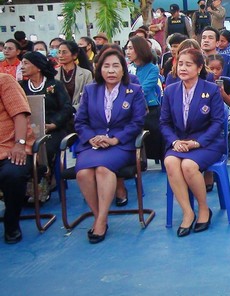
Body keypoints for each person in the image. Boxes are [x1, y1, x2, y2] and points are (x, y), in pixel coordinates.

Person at [74, 48, 146, 243]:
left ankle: (100, 221)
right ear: (99, 69)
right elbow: (80, 122)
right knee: (83, 173)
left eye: (116, 66)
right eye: (106, 66)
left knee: (103, 170)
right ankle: (100, 216)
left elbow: (138, 121)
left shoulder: (134, 91)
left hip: (120, 145)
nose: (111, 70)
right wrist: (91, 138)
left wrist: (115, 139)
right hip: (93, 144)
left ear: (123, 70)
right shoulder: (91, 90)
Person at [161, 49, 226, 237]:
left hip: (207, 143)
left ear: (199, 68)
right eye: (180, 64)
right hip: (179, 142)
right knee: (171, 162)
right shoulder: (171, 90)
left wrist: (196, 143)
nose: (183, 68)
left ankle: (204, 209)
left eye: (188, 64)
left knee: (189, 166)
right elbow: (164, 123)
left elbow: (217, 123)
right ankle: (188, 212)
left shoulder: (211, 89)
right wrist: (174, 142)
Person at [19, 52, 74, 201]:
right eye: (21, 63)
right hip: (27, 130)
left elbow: (67, 108)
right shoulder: (21, 87)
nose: (22, 67)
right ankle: (22, 187)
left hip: (53, 129)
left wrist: (53, 124)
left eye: (26, 63)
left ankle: (42, 185)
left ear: (37, 67)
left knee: (45, 148)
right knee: (22, 148)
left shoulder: (54, 85)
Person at [0, 73, 35, 244]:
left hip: (10, 148)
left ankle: (11, 223)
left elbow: (20, 114)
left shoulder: (4, 80)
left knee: (13, 174)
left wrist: (20, 144)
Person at [124, 36, 163, 175]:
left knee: (153, 128)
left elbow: (144, 89)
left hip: (149, 108)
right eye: (127, 48)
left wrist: (128, 96)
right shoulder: (128, 69)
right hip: (129, 107)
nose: (127, 51)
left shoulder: (152, 69)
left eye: (131, 48)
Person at [56, 41, 93, 111]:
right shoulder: (53, 73)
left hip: (77, 112)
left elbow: (89, 97)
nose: (60, 55)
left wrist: (72, 109)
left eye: (64, 52)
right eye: (59, 52)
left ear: (74, 55)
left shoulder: (86, 74)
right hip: (57, 114)